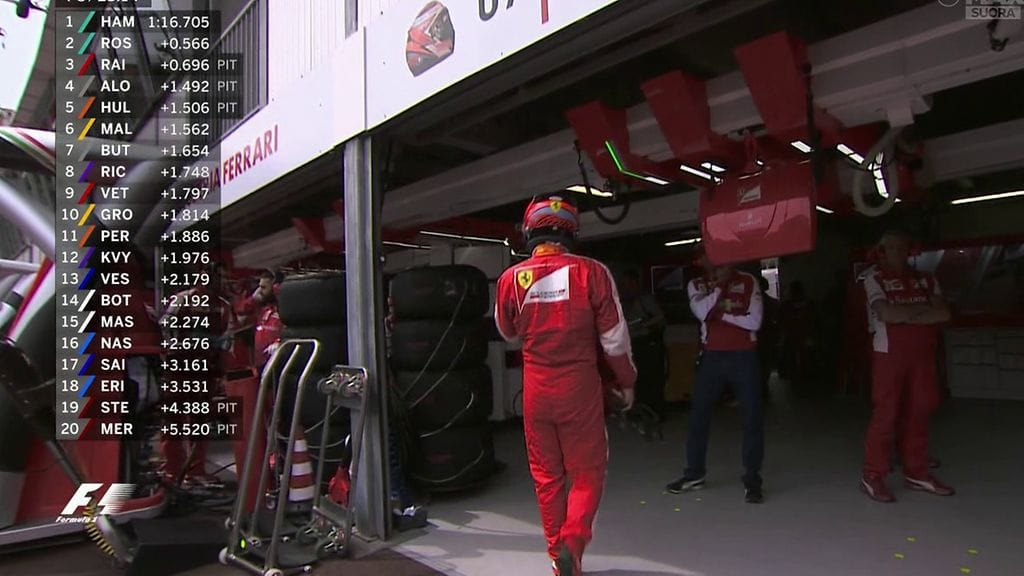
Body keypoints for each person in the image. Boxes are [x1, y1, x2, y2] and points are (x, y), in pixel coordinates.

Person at [495, 196, 637, 576]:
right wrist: (626, 382)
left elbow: (506, 332)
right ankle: (572, 543)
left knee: (547, 477)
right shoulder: (593, 272)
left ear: (530, 231)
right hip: (579, 391)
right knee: (588, 471)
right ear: (572, 232)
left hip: (536, 392)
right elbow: (615, 341)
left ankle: (558, 561)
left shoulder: (510, 279)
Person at [860, 230, 954, 502]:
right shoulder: (874, 279)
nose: (897, 252)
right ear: (881, 252)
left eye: (902, 247)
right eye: (891, 248)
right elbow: (886, 313)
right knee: (886, 415)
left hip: (923, 357)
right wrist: (923, 313)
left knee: (919, 411)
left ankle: (916, 472)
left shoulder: (927, 279)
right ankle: (873, 475)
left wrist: (905, 316)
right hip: (889, 355)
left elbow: (943, 313)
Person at [667, 251, 765, 503]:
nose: (709, 259)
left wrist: (720, 316)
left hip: (744, 357)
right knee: (698, 417)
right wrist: (720, 287)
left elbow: (755, 322)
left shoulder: (748, 280)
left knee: (752, 418)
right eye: (704, 255)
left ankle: (752, 480)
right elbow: (702, 312)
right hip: (711, 357)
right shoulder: (696, 284)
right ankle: (694, 474)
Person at [619, 269, 667, 418]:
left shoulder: (645, 299)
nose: (624, 287)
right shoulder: (624, 301)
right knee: (637, 378)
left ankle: (655, 411)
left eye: (626, 283)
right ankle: (639, 411)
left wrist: (643, 324)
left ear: (633, 282)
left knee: (651, 378)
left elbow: (660, 316)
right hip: (633, 344)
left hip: (647, 343)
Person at [236, 269, 282, 370]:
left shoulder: (285, 310)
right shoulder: (262, 309)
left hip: (277, 363)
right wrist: (253, 298)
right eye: (259, 287)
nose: (260, 291)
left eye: (263, 287)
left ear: (275, 288)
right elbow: (239, 310)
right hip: (260, 364)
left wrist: (280, 342)